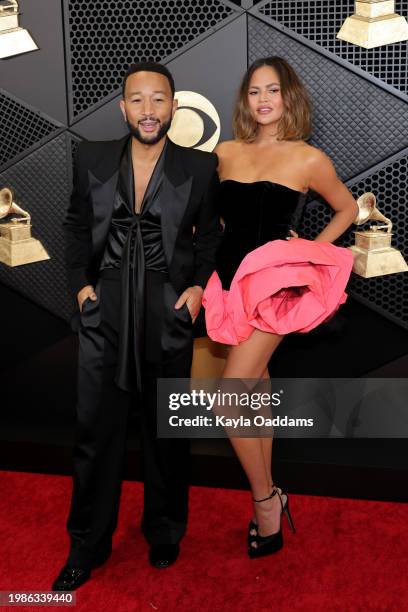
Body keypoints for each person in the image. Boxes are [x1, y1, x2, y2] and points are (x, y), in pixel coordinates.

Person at [52, 61, 220, 590]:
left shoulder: (199, 166)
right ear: (123, 108)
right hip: (105, 309)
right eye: (138, 100)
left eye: (159, 99)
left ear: (175, 105)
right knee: (95, 432)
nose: (149, 110)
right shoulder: (91, 156)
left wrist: (196, 292)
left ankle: (165, 531)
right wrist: (81, 288)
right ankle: (86, 545)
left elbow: (212, 236)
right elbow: (77, 225)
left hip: (166, 310)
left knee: (165, 430)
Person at [202, 57, 358, 559]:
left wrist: (310, 249)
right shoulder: (224, 152)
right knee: (254, 393)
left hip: (272, 287)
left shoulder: (308, 158)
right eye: (254, 91)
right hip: (227, 281)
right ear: (245, 100)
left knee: (229, 398)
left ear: (290, 97)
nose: (263, 99)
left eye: (273, 90)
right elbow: (214, 217)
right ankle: (271, 497)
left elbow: (348, 208)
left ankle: (265, 500)